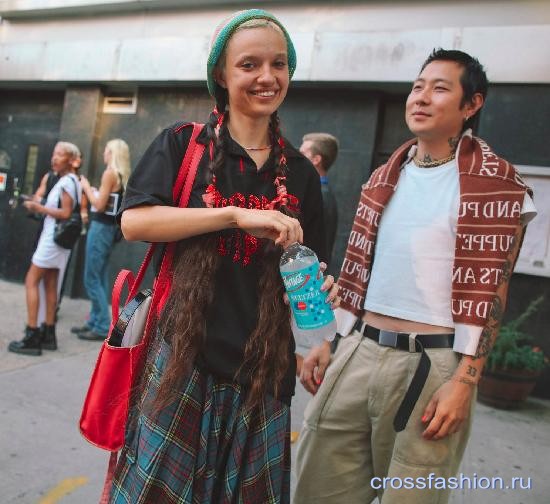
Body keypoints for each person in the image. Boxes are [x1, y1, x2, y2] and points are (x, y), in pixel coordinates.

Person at [108, 9, 337, 503]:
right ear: (222, 74)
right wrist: (233, 216)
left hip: (263, 378)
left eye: (279, 64)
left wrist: (318, 319)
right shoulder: (183, 144)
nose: (266, 77)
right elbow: (136, 221)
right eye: (249, 64)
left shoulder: (299, 172)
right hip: (181, 363)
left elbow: (311, 272)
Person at [294, 49, 536, 504]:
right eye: (418, 86)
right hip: (359, 351)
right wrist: (328, 339)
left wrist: (465, 382)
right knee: (316, 490)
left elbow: (495, 293)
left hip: (433, 364)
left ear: (471, 105)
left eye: (440, 88)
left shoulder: (500, 187)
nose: (421, 97)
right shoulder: (383, 178)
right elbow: (359, 270)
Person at [8, 142, 82, 356]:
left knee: (31, 281)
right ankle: (48, 334)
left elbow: (66, 213)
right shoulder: (70, 180)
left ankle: (32, 335)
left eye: (60, 154)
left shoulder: (67, 182)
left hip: (52, 240)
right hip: (57, 242)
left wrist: (37, 207)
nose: (54, 158)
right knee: (50, 285)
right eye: (54, 154)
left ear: (70, 160)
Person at [72, 139, 130, 340]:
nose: (104, 153)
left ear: (112, 153)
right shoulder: (121, 176)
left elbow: (98, 204)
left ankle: (101, 325)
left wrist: (87, 187)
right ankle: (95, 321)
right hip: (109, 229)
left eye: (106, 150)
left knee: (91, 277)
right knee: (100, 275)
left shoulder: (109, 174)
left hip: (100, 229)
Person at [299, 133, 339, 268]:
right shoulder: (322, 192)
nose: (297, 157)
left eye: (302, 153)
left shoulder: (321, 195)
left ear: (316, 159)